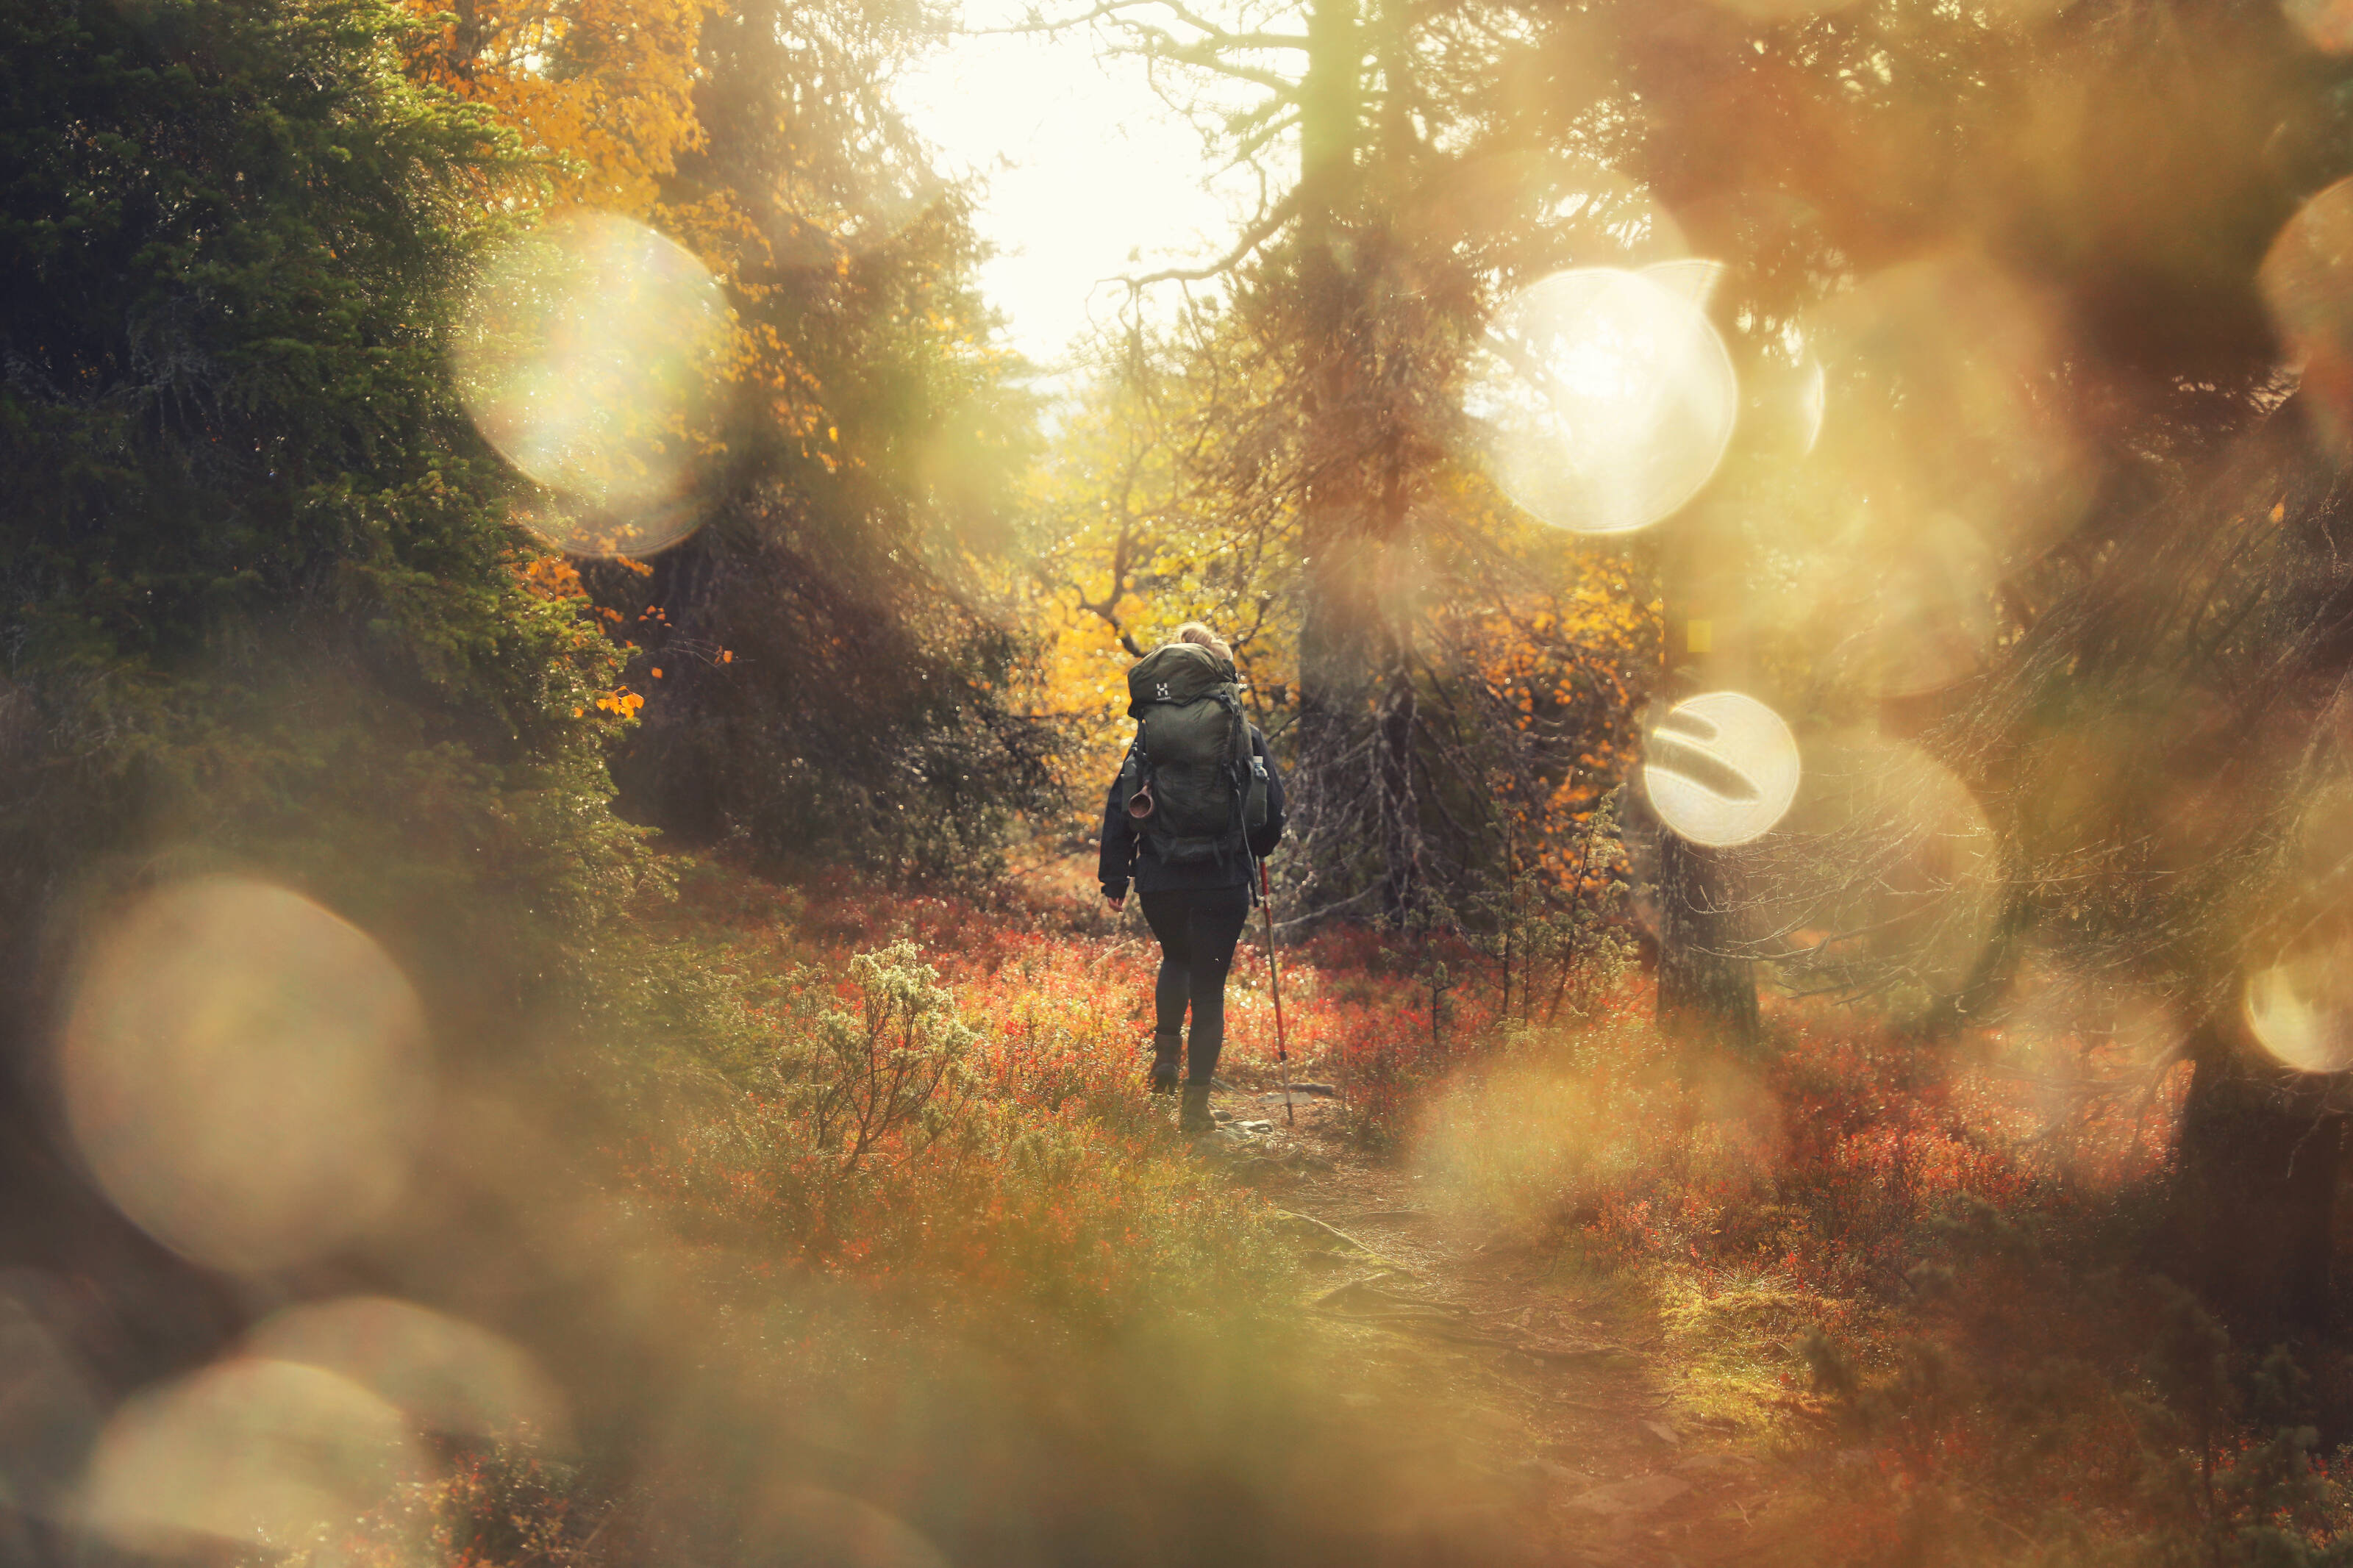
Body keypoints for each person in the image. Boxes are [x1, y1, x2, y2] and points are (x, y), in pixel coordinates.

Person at [1099, 623, 1286, 1134]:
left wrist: (1115, 876)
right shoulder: (1245, 736)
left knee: (1176, 958)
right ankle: (1195, 1110)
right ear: (1222, 676)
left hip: (1162, 878)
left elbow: (1121, 804)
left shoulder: (1149, 736)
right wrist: (1254, 852)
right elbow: (1272, 816)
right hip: (1223, 880)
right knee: (1210, 989)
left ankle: (1164, 1062)